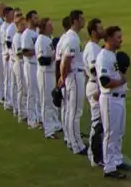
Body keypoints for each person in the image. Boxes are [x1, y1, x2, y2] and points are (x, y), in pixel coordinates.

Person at [97, 26, 130, 180]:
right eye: (118, 37)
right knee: (110, 133)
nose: (121, 39)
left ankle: (117, 159)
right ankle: (109, 167)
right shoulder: (103, 56)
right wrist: (121, 81)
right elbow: (104, 81)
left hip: (119, 99)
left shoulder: (112, 55)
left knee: (119, 132)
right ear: (109, 39)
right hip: (110, 99)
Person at [55, 11, 88, 156]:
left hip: (71, 75)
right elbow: (65, 61)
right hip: (74, 75)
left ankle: (70, 139)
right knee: (75, 111)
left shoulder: (67, 37)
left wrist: (63, 77)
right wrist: (63, 77)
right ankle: (77, 144)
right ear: (74, 21)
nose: (84, 21)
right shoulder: (72, 39)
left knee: (69, 110)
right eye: (81, 19)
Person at [83, 18, 108, 168]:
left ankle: (98, 154)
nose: (103, 30)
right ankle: (94, 155)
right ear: (93, 32)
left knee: (101, 123)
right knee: (97, 123)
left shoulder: (94, 47)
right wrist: (99, 89)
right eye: (100, 28)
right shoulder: (92, 48)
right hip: (95, 85)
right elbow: (94, 69)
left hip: (95, 85)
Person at [33, 17, 59, 140]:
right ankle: (48, 129)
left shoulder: (49, 38)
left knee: (53, 100)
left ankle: (55, 124)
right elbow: (42, 60)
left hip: (51, 73)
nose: (52, 27)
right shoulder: (41, 40)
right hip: (44, 74)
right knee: (46, 101)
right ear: (43, 28)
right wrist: (55, 55)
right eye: (49, 25)